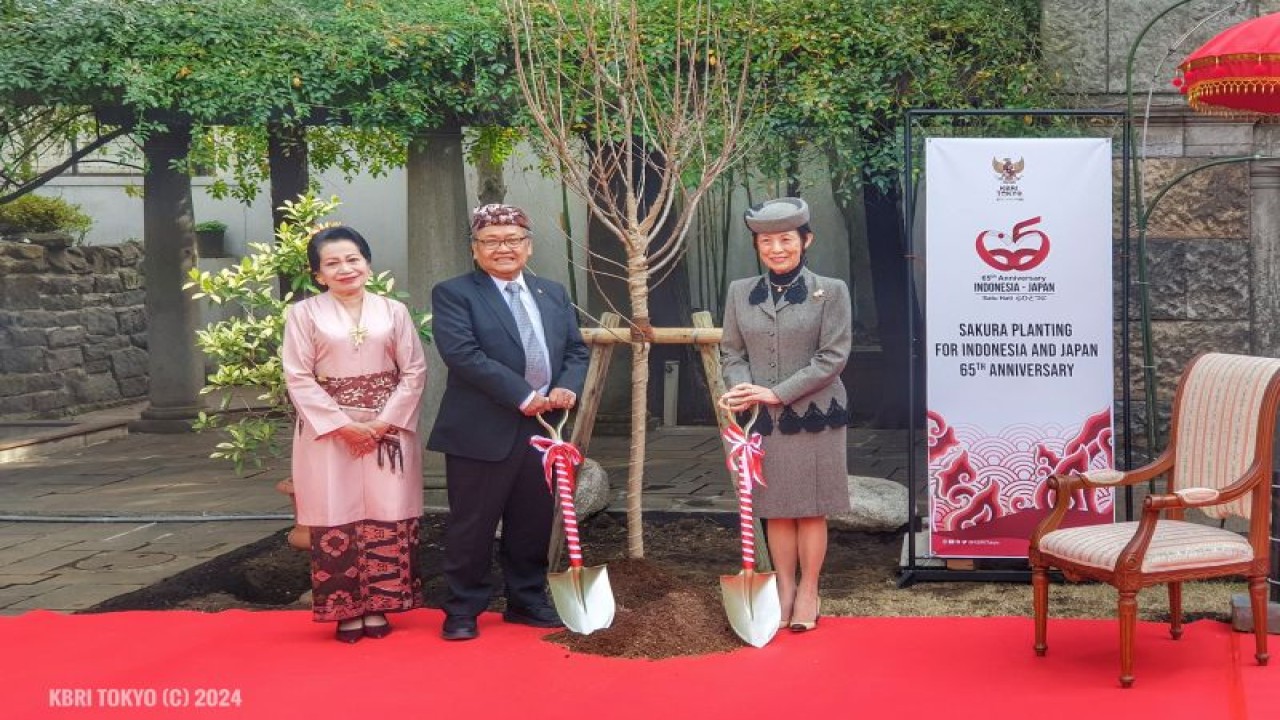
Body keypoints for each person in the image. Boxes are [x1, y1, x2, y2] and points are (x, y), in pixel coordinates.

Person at [428, 203, 590, 641]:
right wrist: (522, 395)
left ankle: (526, 599)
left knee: (532, 520)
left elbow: (575, 350)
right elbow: (462, 355)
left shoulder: (552, 292)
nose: (504, 248)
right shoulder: (454, 293)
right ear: (475, 249)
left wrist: (566, 388)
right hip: (481, 428)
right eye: (492, 241)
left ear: (529, 245)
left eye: (513, 239)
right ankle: (463, 608)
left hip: (543, 430)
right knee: (472, 524)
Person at [282, 225, 428, 643]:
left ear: (367, 263)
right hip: (329, 432)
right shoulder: (303, 314)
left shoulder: (394, 312)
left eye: (352, 259)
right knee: (336, 510)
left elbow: (414, 370)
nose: (345, 269)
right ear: (317, 274)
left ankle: (382, 604)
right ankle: (347, 608)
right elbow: (298, 376)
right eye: (332, 263)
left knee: (387, 508)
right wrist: (343, 426)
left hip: (388, 431)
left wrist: (384, 423)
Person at [719, 197, 852, 632]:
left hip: (814, 415)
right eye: (766, 241)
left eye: (786, 240)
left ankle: (810, 590)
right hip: (761, 419)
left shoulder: (830, 291)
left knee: (811, 508)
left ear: (805, 240)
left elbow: (832, 357)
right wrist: (741, 389)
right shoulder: (741, 292)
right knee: (775, 508)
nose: (777, 248)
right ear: (757, 246)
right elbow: (732, 351)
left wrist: (776, 393)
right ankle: (784, 589)